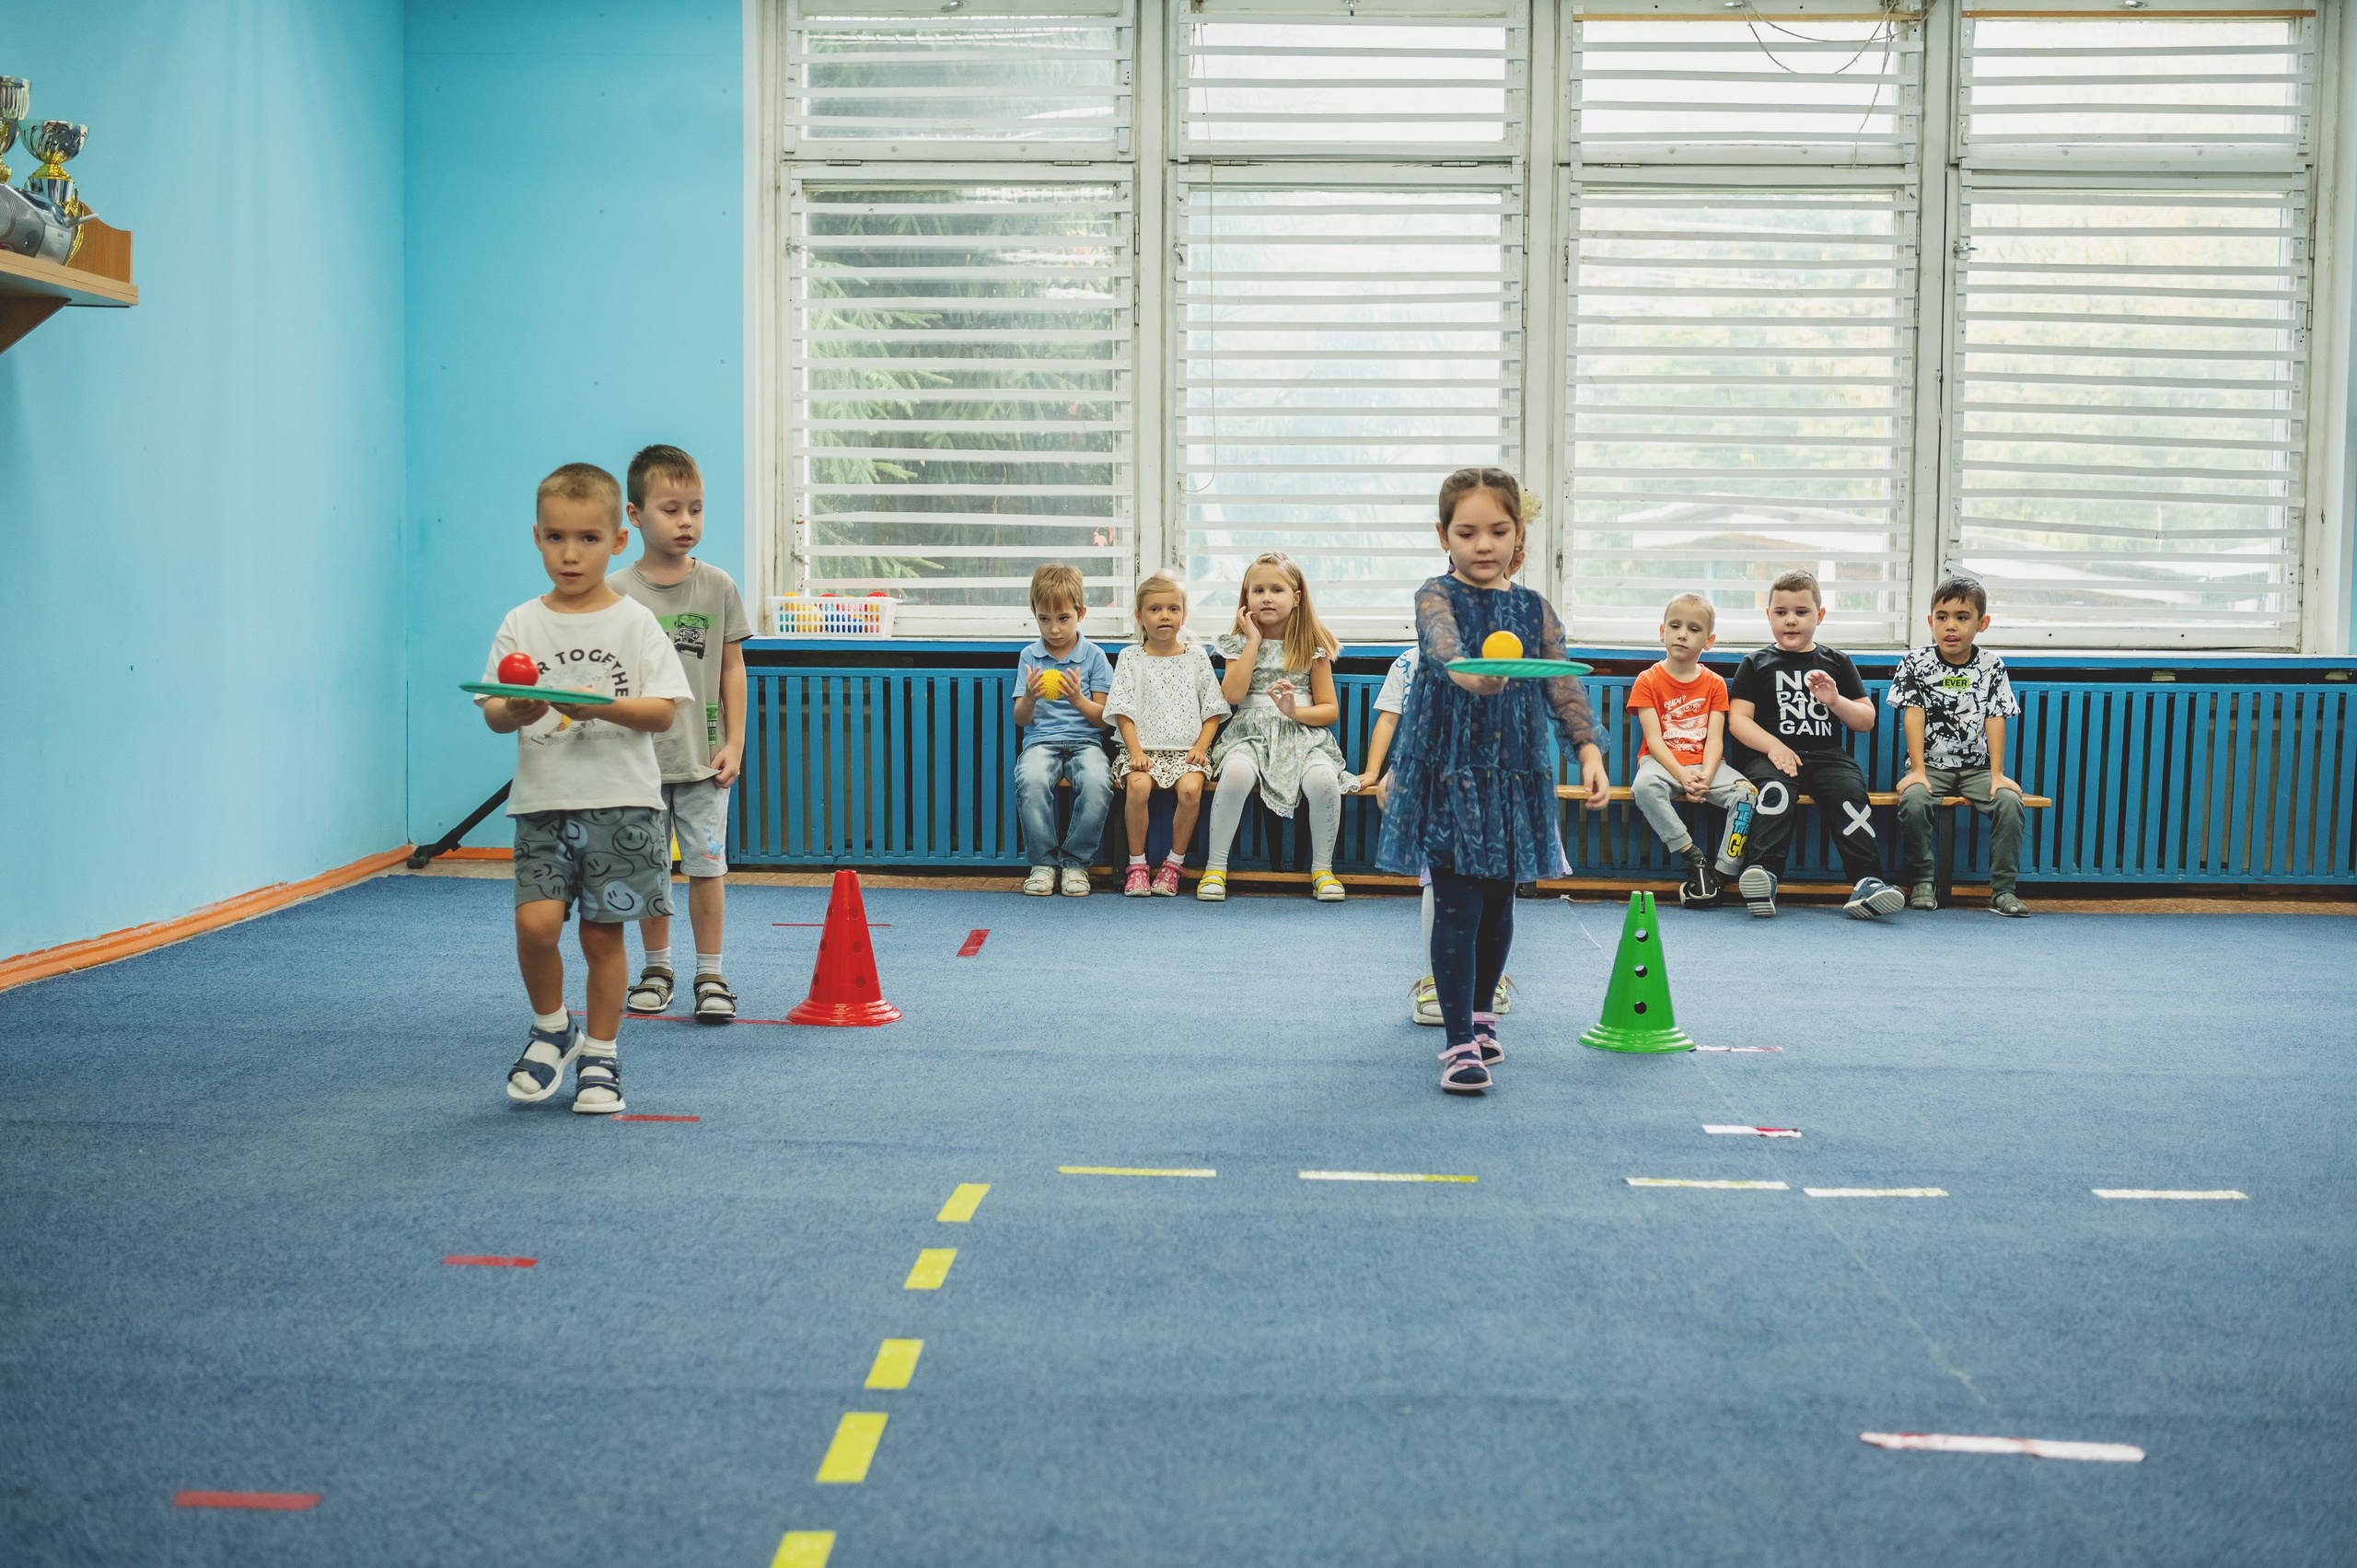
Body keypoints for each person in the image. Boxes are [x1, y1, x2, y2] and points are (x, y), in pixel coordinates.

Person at [1376, 468, 1609, 1094]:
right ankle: (1456, 1043)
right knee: (1457, 901)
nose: (1483, 544)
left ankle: (1482, 1015)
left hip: (1513, 773)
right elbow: (1443, 647)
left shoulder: (1533, 608)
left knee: (1501, 899)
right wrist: (1470, 675)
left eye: (1498, 530)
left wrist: (1587, 749)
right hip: (1449, 771)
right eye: (1467, 531)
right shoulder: (1436, 594)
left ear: (1519, 536)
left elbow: (1562, 682)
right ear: (1444, 535)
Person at [478, 462, 693, 1115]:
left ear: (617, 540)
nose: (570, 554)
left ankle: (601, 1052)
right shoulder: (521, 622)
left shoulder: (635, 624)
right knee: (536, 925)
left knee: (604, 938)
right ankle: (552, 1028)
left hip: (622, 803)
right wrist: (515, 710)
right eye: (556, 538)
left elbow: (662, 711)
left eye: (588, 539)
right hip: (542, 803)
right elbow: (494, 707)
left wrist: (599, 707)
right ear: (537, 537)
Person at [609, 444, 753, 1024]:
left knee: (706, 867)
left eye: (695, 508)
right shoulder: (616, 590)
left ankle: (711, 974)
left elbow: (732, 669)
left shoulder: (717, 586)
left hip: (702, 762)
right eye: (671, 509)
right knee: (647, 870)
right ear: (636, 516)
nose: (686, 520)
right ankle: (658, 968)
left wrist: (736, 741)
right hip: (637, 765)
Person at [1725, 569, 1902, 921]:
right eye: (1781, 612)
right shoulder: (1756, 663)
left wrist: (1835, 700)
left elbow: (1865, 720)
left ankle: (1867, 882)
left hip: (1827, 756)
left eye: (1801, 612)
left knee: (1851, 794)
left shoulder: (1836, 662)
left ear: (1819, 616)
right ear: (1769, 616)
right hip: (1772, 756)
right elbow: (1738, 720)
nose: (1791, 620)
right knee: (1774, 793)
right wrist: (1774, 746)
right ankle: (1765, 875)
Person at [1362, 645, 1513, 1027]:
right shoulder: (1410, 662)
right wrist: (1379, 771)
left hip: (1490, 781)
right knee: (1440, 874)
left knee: (1493, 885)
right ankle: (1435, 981)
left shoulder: (1496, 658)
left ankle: (1487, 982)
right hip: (1431, 781)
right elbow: (1393, 721)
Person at [1200, 553, 1351, 903]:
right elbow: (1232, 695)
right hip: (1249, 736)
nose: (1267, 597)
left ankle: (1323, 870)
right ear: (1246, 598)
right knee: (1235, 775)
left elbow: (1329, 711)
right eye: (1258, 590)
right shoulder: (1237, 643)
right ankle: (1215, 868)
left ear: (1296, 598)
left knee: (1324, 781)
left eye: (1277, 589)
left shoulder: (1312, 647)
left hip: (1302, 736)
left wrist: (1294, 711)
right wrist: (1252, 640)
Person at [1887, 575, 2029, 917]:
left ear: (1982, 623)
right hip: (1931, 766)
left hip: (1977, 769)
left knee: (2010, 802)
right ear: (1930, 621)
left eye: (1962, 617)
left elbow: (1996, 717)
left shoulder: (1991, 666)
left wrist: (1997, 775)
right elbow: (1913, 715)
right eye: (1942, 617)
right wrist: (1918, 770)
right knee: (1915, 799)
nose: (1950, 626)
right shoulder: (1915, 663)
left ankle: (2003, 891)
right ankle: (1922, 880)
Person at [1104, 574, 1229, 897]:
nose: (1164, 616)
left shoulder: (1196, 657)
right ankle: (1137, 866)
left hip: (1187, 752)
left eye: (1173, 609)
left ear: (1183, 615)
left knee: (1190, 791)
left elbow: (1213, 710)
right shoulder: (1131, 658)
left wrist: (1202, 747)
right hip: (1141, 750)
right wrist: (1135, 753)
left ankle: (1173, 865)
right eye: (1155, 609)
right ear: (1140, 616)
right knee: (1138, 786)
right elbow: (1122, 711)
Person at [1627, 593, 1752, 909]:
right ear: (1662, 632)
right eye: (1675, 626)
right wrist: (1683, 774)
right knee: (1643, 786)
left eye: (1694, 629)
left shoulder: (1714, 684)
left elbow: (1715, 739)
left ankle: (1720, 874)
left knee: (1748, 794)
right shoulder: (1648, 680)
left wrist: (1706, 776)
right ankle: (1692, 857)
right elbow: (1654, 740)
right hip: (1663, 763)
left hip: (1706, 765)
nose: (1682, 634)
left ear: (1708, 641)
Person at [1012, 563, 1116, 897]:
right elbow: (1021, 719)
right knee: (1030, 779)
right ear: (1035, 614)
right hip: (1041, 742)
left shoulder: (1095, 657)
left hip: (1086, 742)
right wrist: (1029, 695)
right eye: (1044, 619)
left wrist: (1077, 699)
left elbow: (1103, 719)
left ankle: (1075, 864)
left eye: (1063, 618)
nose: (1054, 629)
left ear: (1081, 613)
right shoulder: (1030, 656)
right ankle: (1043, 864)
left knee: (1099, 783)